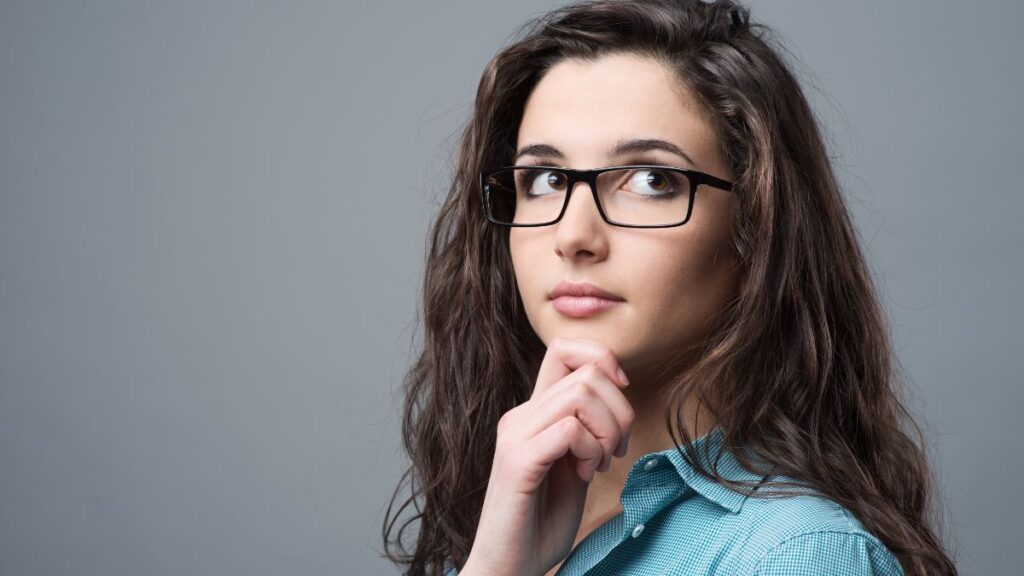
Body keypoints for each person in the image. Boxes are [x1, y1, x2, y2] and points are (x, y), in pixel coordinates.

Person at [382, 0, 958, 574]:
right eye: (545, 179)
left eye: (651, 179)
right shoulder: (512, 521)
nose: (573, 234)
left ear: (756, 226)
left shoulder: (797, 555)